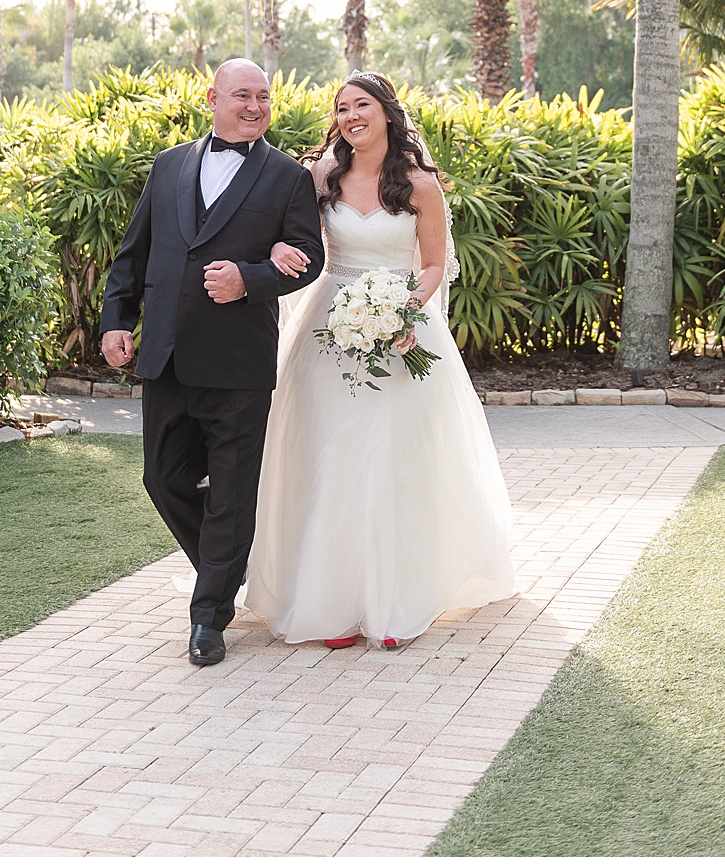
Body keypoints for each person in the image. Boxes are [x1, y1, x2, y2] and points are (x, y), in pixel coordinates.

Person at [243, 72, 518, 647]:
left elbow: (436, 264)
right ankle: (332, 605)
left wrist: (408, 310)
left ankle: (394, 604)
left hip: (404, 331)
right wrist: (275, 247)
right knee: (331, 454)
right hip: (329, 327)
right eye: (341, 108)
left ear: (387, 112)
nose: (350, 117)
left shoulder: (420, 185)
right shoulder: (323, 174)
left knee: (392, 459)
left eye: (361, 105)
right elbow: (288, 233)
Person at [99, 59, 326, 668]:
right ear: (213, 98)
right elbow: (134, 252)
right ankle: (231, 565)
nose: (254, 106)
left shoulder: (287, 177)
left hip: (237, 361)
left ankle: (209, 616)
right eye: (242, 95)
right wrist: (115, 320)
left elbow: (310, 254)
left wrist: (249, 279)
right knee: (162, 477)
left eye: (263, 97)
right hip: (167, 354)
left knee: (230, 490)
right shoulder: (170, 163)